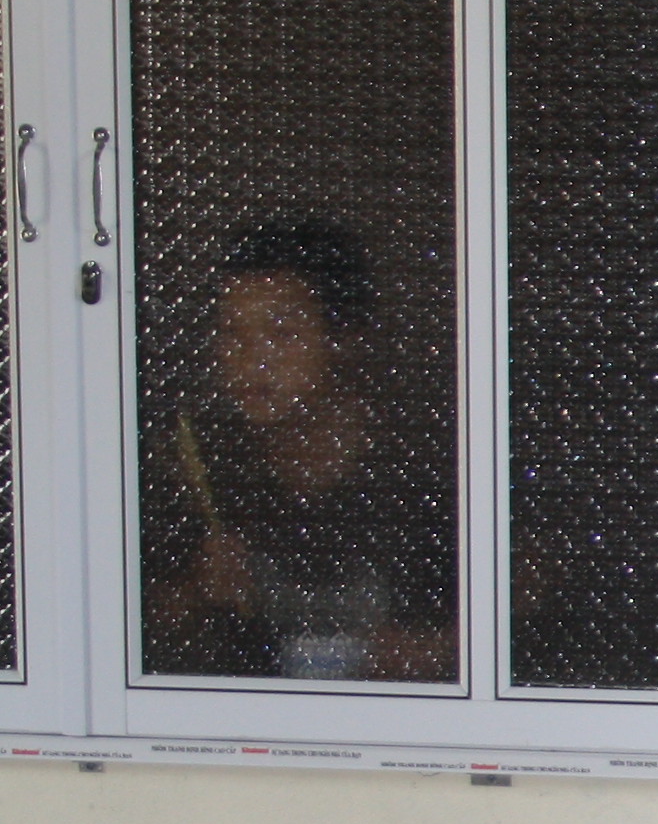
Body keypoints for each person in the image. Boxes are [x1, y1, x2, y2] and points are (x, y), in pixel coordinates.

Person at [141, 220, 457, 685]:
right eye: (232, 335)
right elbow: (139, 629)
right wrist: (198, 592)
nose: (252, 361)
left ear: (344, 339)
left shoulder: (417, 467)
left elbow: (526, 584)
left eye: (281, 333)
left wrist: (441, 649)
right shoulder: (204, 466)